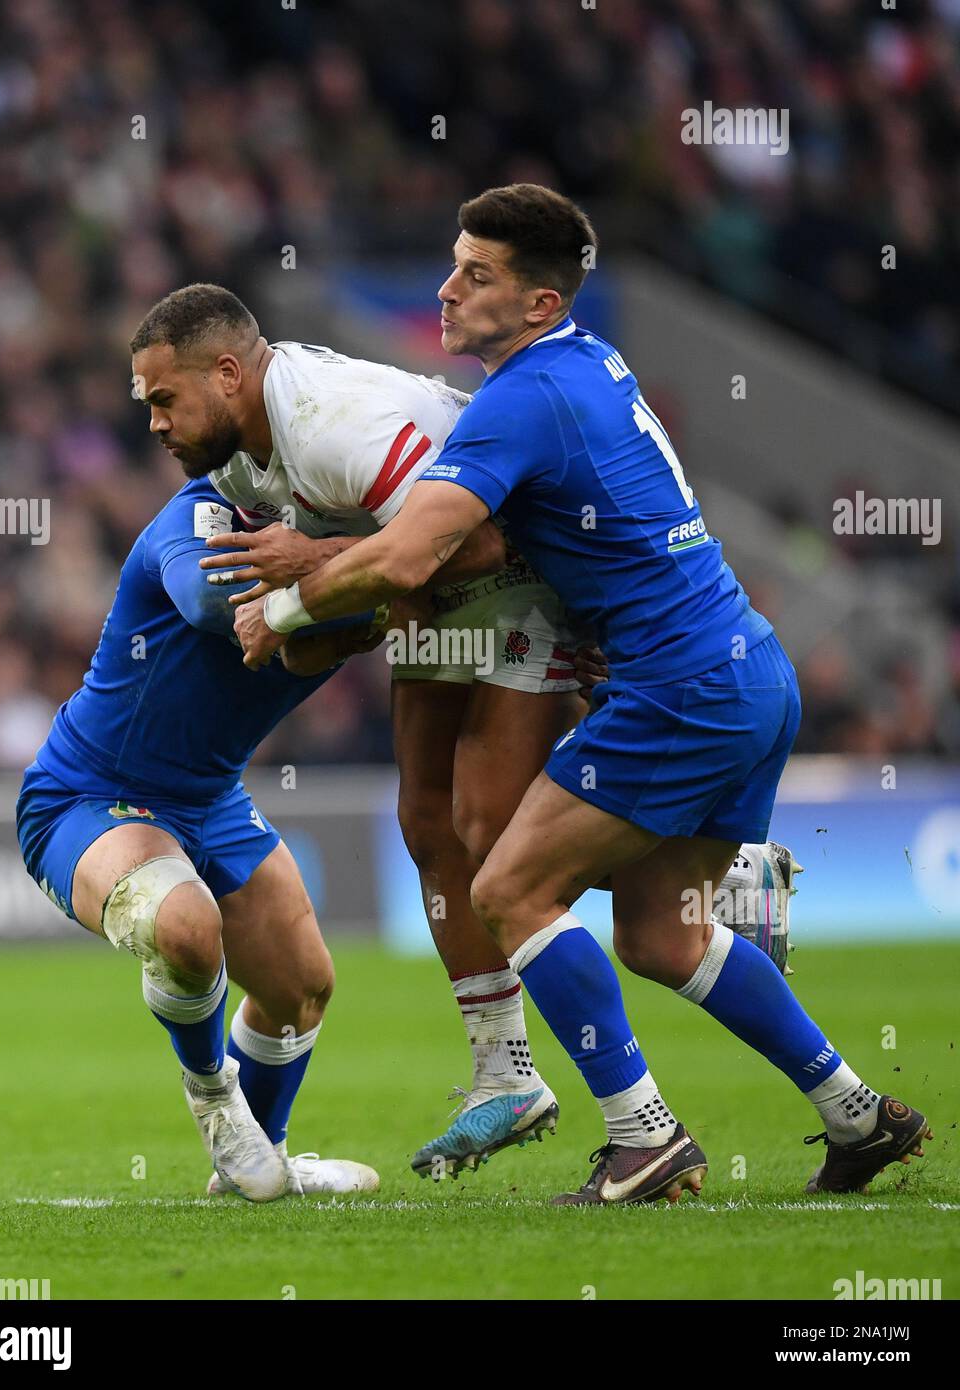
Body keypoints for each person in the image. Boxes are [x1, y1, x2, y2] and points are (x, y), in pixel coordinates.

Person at [233, 184, 931, 1205]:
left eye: (478, 275)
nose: (447, 289)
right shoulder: (591, 366)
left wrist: (290, 598)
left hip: (677, 688)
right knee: (662, 933)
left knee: (507, 886)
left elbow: (417, 550)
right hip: (746, 667)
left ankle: (642, 1135)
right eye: (453, 264)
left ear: (539, 306)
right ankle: (856, 1112)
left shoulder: (520, 397)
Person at [132, 285, 806, 1182]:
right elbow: (395, 571)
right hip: (425, 594)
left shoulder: (334, 424)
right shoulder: (233, 459)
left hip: (512, 577)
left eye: (163, 399)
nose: (153, 422)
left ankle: (720, 874)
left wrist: (309, 578)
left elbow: (480, 541)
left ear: (226, 374)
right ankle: (505, 1073)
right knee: (427, 823)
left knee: (496, 839)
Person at [17, 474, 388, 1201]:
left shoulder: (374, 554)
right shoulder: (198, 514)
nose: (159, 425)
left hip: (209, 798)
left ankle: (263, 1160)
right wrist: (364, 591)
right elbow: (210, 602)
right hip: (89, 795)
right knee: (186, 928)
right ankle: (216, 1098)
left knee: (300, 987)